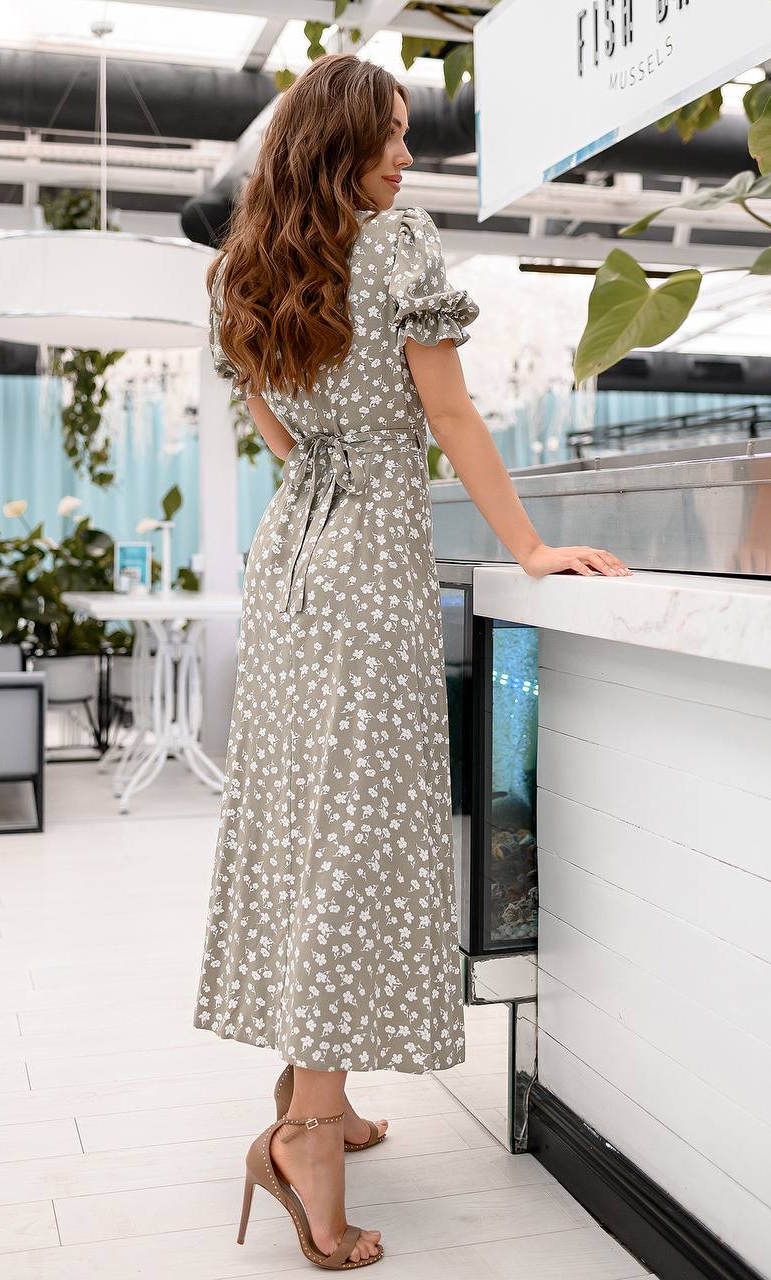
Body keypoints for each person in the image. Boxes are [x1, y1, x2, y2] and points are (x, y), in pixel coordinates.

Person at [193, 52, 632, 1271]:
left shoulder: (244, 264)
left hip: (290, 563)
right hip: (369, 573)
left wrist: (333, 460)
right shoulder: (396, 244)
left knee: (302, 822)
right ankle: (305, 1143)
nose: (404, 158)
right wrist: (530, 544)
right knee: (353, 839)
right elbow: (446, 413)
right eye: (387, 138)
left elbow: (276, 426)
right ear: (337, 144)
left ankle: (315, 1088)